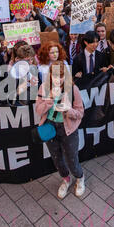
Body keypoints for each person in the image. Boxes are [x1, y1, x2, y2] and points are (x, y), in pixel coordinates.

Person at [35, 61, 85, 198]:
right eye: (55, 76)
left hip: (68, 129)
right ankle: (66, 180)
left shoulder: (73, 89)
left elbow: (80, 113)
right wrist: (49, 100)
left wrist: (68, 110)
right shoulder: (44, 88)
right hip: (50, 127)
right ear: (50, 75)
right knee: (57, 159)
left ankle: (80, 178)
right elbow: (38, 110)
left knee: (71, 159)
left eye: (61, 76)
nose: (58, 80)